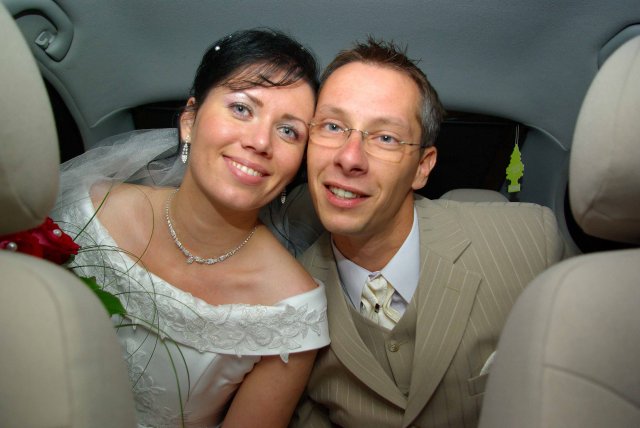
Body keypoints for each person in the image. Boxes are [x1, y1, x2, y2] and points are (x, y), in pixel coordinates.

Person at [52, 29, 329, 427]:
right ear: (189, 121)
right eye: (242, 108)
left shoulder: (293, 310)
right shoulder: (85, 211)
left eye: (289, 131)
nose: (260, 142)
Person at [291, 38, 565, 427]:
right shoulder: (287, 298)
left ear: (423, 166)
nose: (349, 158)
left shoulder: (529, 243)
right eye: (333, 126)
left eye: (385, 137)